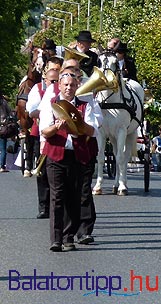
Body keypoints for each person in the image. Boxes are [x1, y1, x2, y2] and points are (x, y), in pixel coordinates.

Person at [39, 68, 102, 251]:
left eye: (72, 85)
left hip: (77, 155)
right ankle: (56, 239)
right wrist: (56, 127)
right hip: (56, 155)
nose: (68, 88)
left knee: (74, 197)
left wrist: (77, 125)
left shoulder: (84, 105)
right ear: (59, 86)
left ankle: (69, 237)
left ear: (77, 87)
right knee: (57, 196)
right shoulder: (50, 104)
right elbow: (45, 131)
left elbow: (93, 130)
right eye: (65, 85)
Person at [26, 67, 60, 217]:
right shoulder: (38, 89)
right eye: (52, 81)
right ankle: (43, 206)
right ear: (45, 80)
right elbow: (31, 110)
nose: (54, 83)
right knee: (42, 173)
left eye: (56, 81)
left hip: (60, 136)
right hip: (41, 132)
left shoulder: (63, 92)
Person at [0, 93, 16, 172]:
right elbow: (10, 113)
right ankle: (2, 166)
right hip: (2, 127)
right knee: (3, 148)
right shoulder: (3, 102)